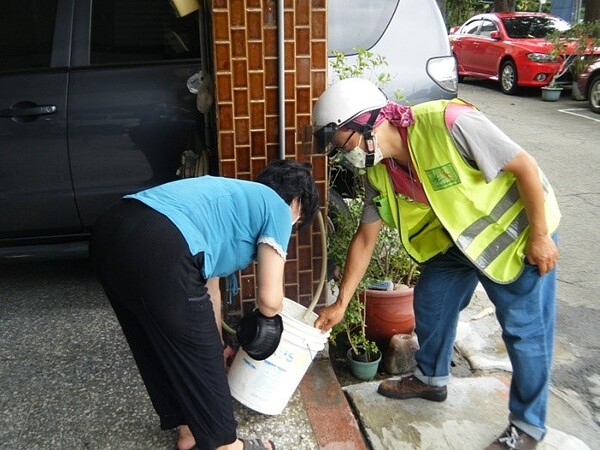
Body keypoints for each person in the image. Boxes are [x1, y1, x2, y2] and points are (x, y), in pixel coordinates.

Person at [311, 78, 560, 450]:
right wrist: (341, 303)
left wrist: (539, 236)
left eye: (342, 143)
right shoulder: (379, 174)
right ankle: (431, 379)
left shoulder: (449, 123)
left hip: (517, 235)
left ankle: (527, 426)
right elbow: (365, 239)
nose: (343, 154)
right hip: (458, 243)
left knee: (525, 331)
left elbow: (524, 165)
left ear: (367, 121)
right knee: (431, 300)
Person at [90, 159, 319, 450]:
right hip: (162, 244)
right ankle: (226, 446)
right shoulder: (277, 206)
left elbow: (208, 285)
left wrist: (217, 342)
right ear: (297, 203)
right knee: (200, 356)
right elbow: (270, 301)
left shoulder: (233, 199)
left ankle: (189, 432)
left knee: (156, 340)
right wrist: (264, 330)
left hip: (112, 230)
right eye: (297, 222)